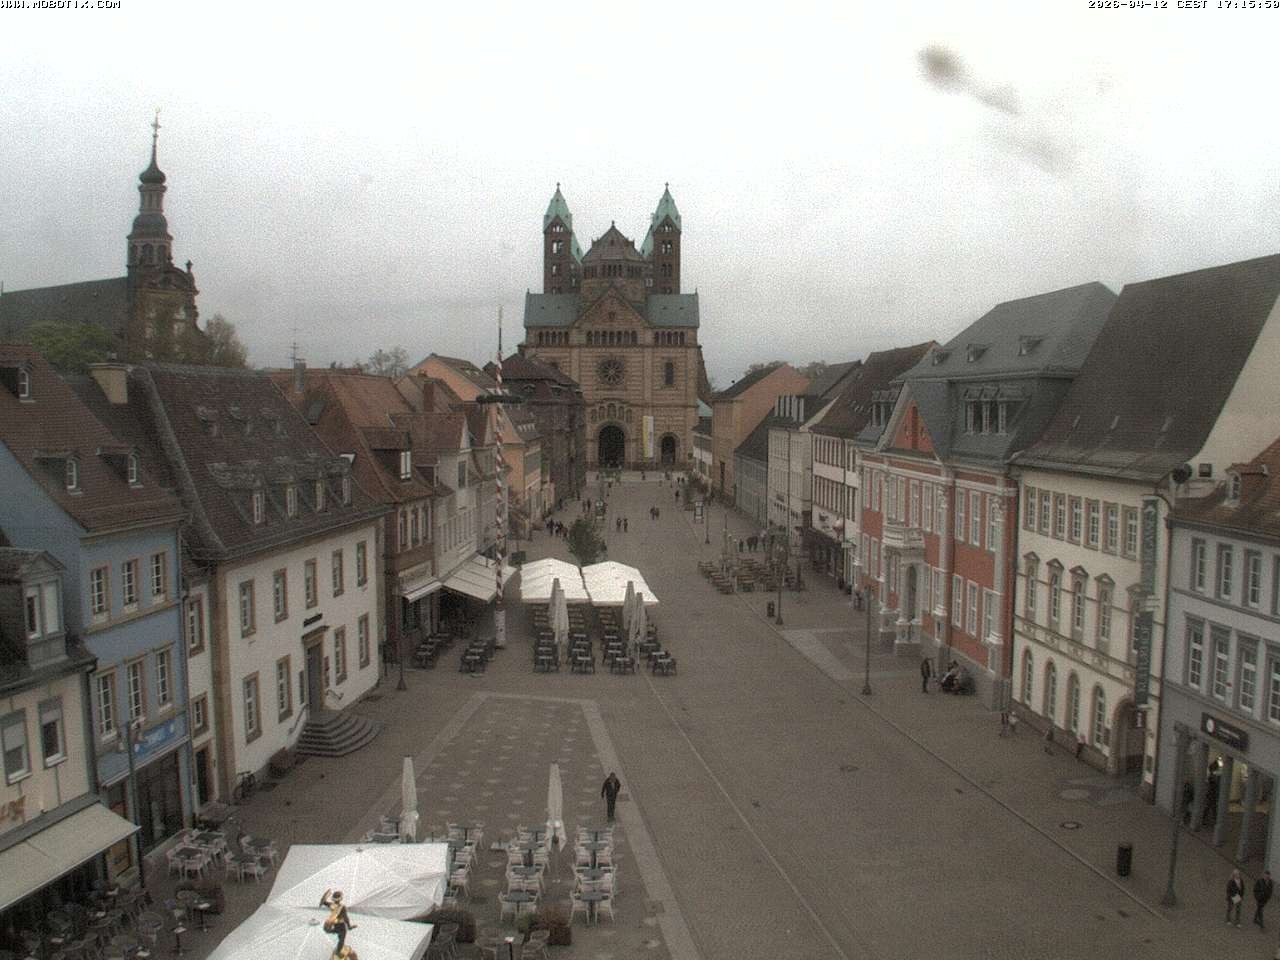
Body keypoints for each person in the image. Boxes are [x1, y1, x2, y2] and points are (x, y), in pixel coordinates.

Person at [320, 889, 357, 959]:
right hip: (341, 925)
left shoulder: (331, 905)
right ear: (340, 898)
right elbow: (346, 918)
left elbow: (324, 902)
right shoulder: (342, 907)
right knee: (341, 939)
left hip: (335, 924)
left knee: (340, 937)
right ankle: (339, 951)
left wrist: (325, 897)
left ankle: (331, 932)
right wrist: (349, 926)